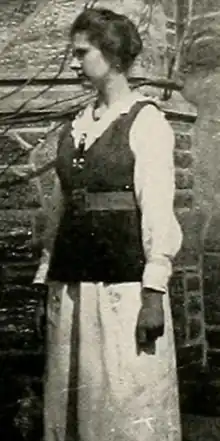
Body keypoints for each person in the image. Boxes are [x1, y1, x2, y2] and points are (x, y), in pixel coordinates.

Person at [33, 7, 183, 441]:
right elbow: (59, 214)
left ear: (112, 54)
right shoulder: (75, 126)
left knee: (124, 400)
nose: (74, 64)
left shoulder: (146, 122)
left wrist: (154, 293)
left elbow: (156, 210)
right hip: (73, 287)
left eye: (82, 54)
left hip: (124, 290)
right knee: (74, 400)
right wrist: (48, 281)